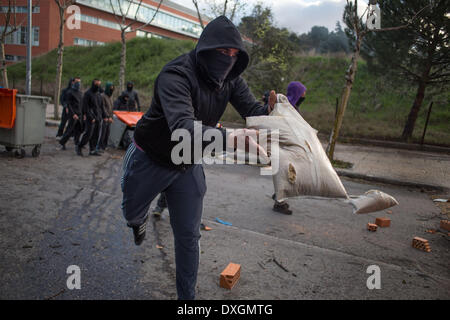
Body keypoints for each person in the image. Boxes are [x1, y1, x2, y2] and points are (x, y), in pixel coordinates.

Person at [121, 15, 277, 300]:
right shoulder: (176, 75)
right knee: (130, 211)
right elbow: (182, 127)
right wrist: (230, 138)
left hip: (186, 164)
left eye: (233, 55)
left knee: (189, 236)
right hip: (150, 158)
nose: (228, 60)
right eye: (222, 53)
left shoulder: (231, 79)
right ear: (206, 49)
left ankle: (187, 300)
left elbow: (253, 112)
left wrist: (274, 114)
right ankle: (137, 220)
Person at [266, 81, 307, 215]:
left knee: (287, 175)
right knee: (287, 175)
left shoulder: (292, 107)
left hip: (288, 147)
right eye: (302, 93)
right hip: (283, 146)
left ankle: (279, 195)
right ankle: (279, 203)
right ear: (297, 93)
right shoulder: (285, 108)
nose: (304, 95)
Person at [77, 79, 106, 156]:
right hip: (91, 118)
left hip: (98, 117)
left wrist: (104, 116)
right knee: (88, 134)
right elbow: (85, 107)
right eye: (97, 84)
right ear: (93, 84)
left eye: (99, 84)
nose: (98, 86)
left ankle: (92, 150)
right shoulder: (87, 94)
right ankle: (79, 146)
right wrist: (91, 117)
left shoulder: (99, 94)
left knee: (96, 135)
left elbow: (101, 107)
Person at [58, 77, 83, 151]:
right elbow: (68, 104)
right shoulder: (69, 92)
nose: (78, 83)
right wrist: (73, 114)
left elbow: (81, 104)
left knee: (79, 129)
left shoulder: (80, 93)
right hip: (73, 114)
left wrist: (83, 114)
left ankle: (77, 143)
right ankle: (62, 142)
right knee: (69, 129)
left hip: (79, 114)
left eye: (79, 82)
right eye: (77, 82)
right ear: (73, 82)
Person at [97, 82, 115, 153]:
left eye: (112, 89)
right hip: (104, 118)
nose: (111, 90)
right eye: (110, 89)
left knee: (107, 133)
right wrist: (107, 116)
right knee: (102, 133)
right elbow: (103, 107)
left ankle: (104, 146)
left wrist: (111, 117)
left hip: (109, 118)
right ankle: (99, 146)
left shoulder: (110, 97)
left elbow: (111, 108)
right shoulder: (102, 96)